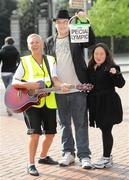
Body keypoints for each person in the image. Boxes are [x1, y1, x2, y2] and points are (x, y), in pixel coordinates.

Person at [12, 34, 70, 176]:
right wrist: (28, 84)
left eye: (37, 42)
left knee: (50, 134)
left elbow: (55, 79)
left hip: (49, 101)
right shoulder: (24, 61)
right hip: (30, 103)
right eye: (32, 42)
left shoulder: (50, 60)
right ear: (28, 45)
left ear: (42, 44)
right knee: (35, 134)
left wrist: (61, 85)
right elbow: (14, 82)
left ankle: (43, 157)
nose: (35, 44)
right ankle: (30, 164)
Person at [45, 9, 95, 169]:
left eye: (65, 22)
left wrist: (85, 21)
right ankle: (68, 153)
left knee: (81, 123)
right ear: (55, 24)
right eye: (59, 22)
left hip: (78, 87)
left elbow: (91, 41)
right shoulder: (49, 42)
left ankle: (84, 156)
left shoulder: (76, 36)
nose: (62, 25)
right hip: (59, 90)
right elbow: (48, 65)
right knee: (64, 124)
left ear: (69, 23)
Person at [87, 43, 125, 169]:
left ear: (106, 55)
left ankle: (106, 158)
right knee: (104, 129)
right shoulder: (91, 67)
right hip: (97, 104)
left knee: (107, 129)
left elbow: (121, 84)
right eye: (96, 53)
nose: (98, 56)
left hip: (109, 103)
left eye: (101, 53)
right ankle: (107, 156)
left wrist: (116, 74)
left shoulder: (112, 67)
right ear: (93, 55)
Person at [0, 36, 20, 116]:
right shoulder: (15, 51)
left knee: (7, 90)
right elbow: (19, 62)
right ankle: (10, 107)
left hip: (3, 73)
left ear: (5, 42)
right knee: (10, 91)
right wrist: (15, 69)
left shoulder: (2, 50)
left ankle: (9, 108)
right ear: (13, 43)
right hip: (12, 73)